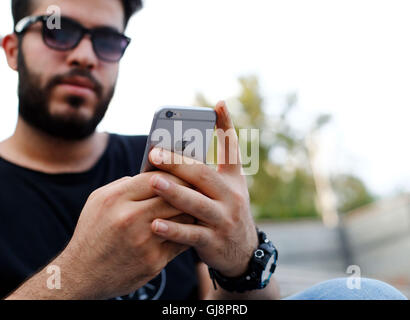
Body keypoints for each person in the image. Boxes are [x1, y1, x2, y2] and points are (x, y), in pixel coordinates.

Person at [0, 0, 406, 300]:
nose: (85, 56)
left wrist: (241, 263)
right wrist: (77, 277)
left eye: (107, 40)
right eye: (59, 30)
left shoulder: (161, 163)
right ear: (13, 50)